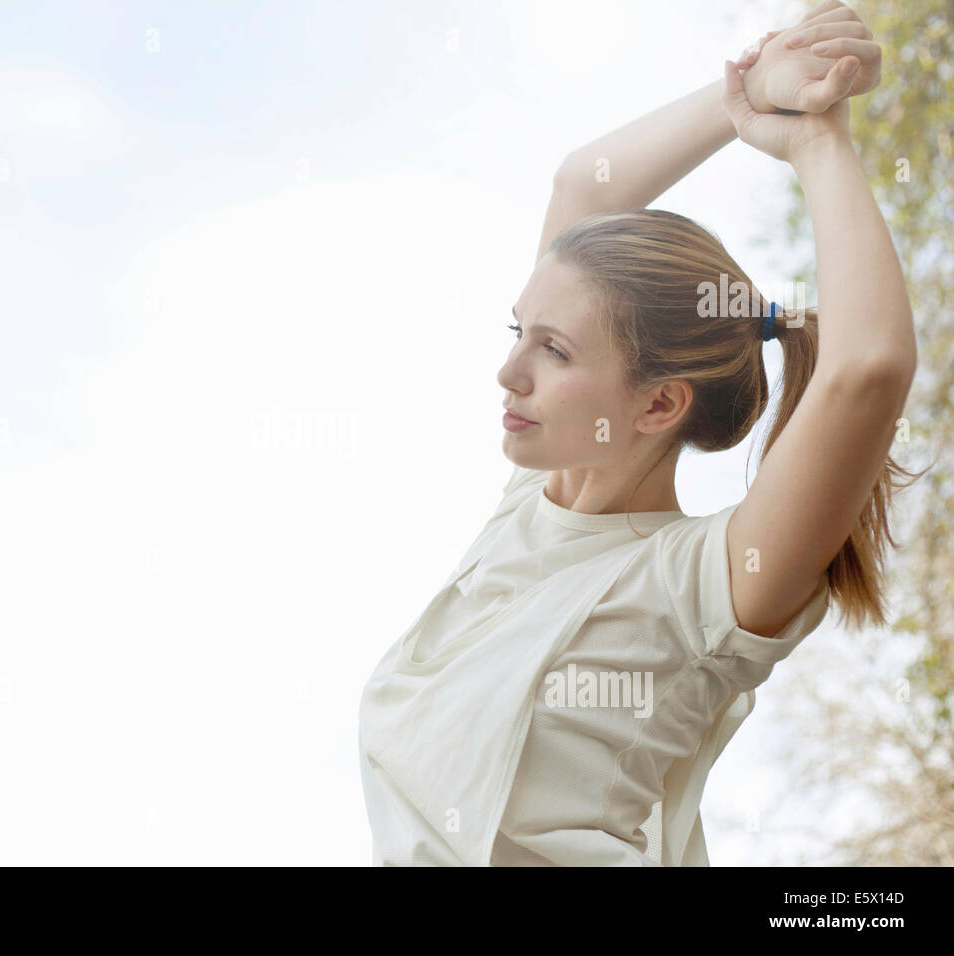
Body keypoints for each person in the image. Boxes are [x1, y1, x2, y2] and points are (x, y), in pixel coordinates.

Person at [358, 0, 924, 866]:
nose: (509, 376)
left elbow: (867, 368)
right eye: (519, 334)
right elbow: (587, 185)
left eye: (553, 350)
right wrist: (749, 93)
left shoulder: (705, 582)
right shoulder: (528, 510)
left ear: (657, 405)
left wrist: (817, 143)